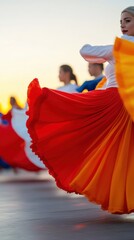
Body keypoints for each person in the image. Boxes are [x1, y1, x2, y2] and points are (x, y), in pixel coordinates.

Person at [26, 6, 134, 214]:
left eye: (127, 20)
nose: (122, 24)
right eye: (121, 21)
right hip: (129, 107)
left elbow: (86, 51)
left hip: (112, 102)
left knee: (79, 131)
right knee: (123, 153)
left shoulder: (120, 46)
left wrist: (105, 53)